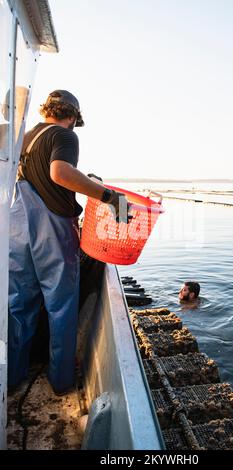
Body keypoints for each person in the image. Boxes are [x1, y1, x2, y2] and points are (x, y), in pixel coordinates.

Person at [8, 89, 130, 395]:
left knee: (19, 304)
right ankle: (60, 380)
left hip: (16, 226)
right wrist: (107, 196)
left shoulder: (23, 138)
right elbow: (59, 173)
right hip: (52, 228)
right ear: (73, 117)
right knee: (61, 306)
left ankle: (12, 377)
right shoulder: (64, 136)